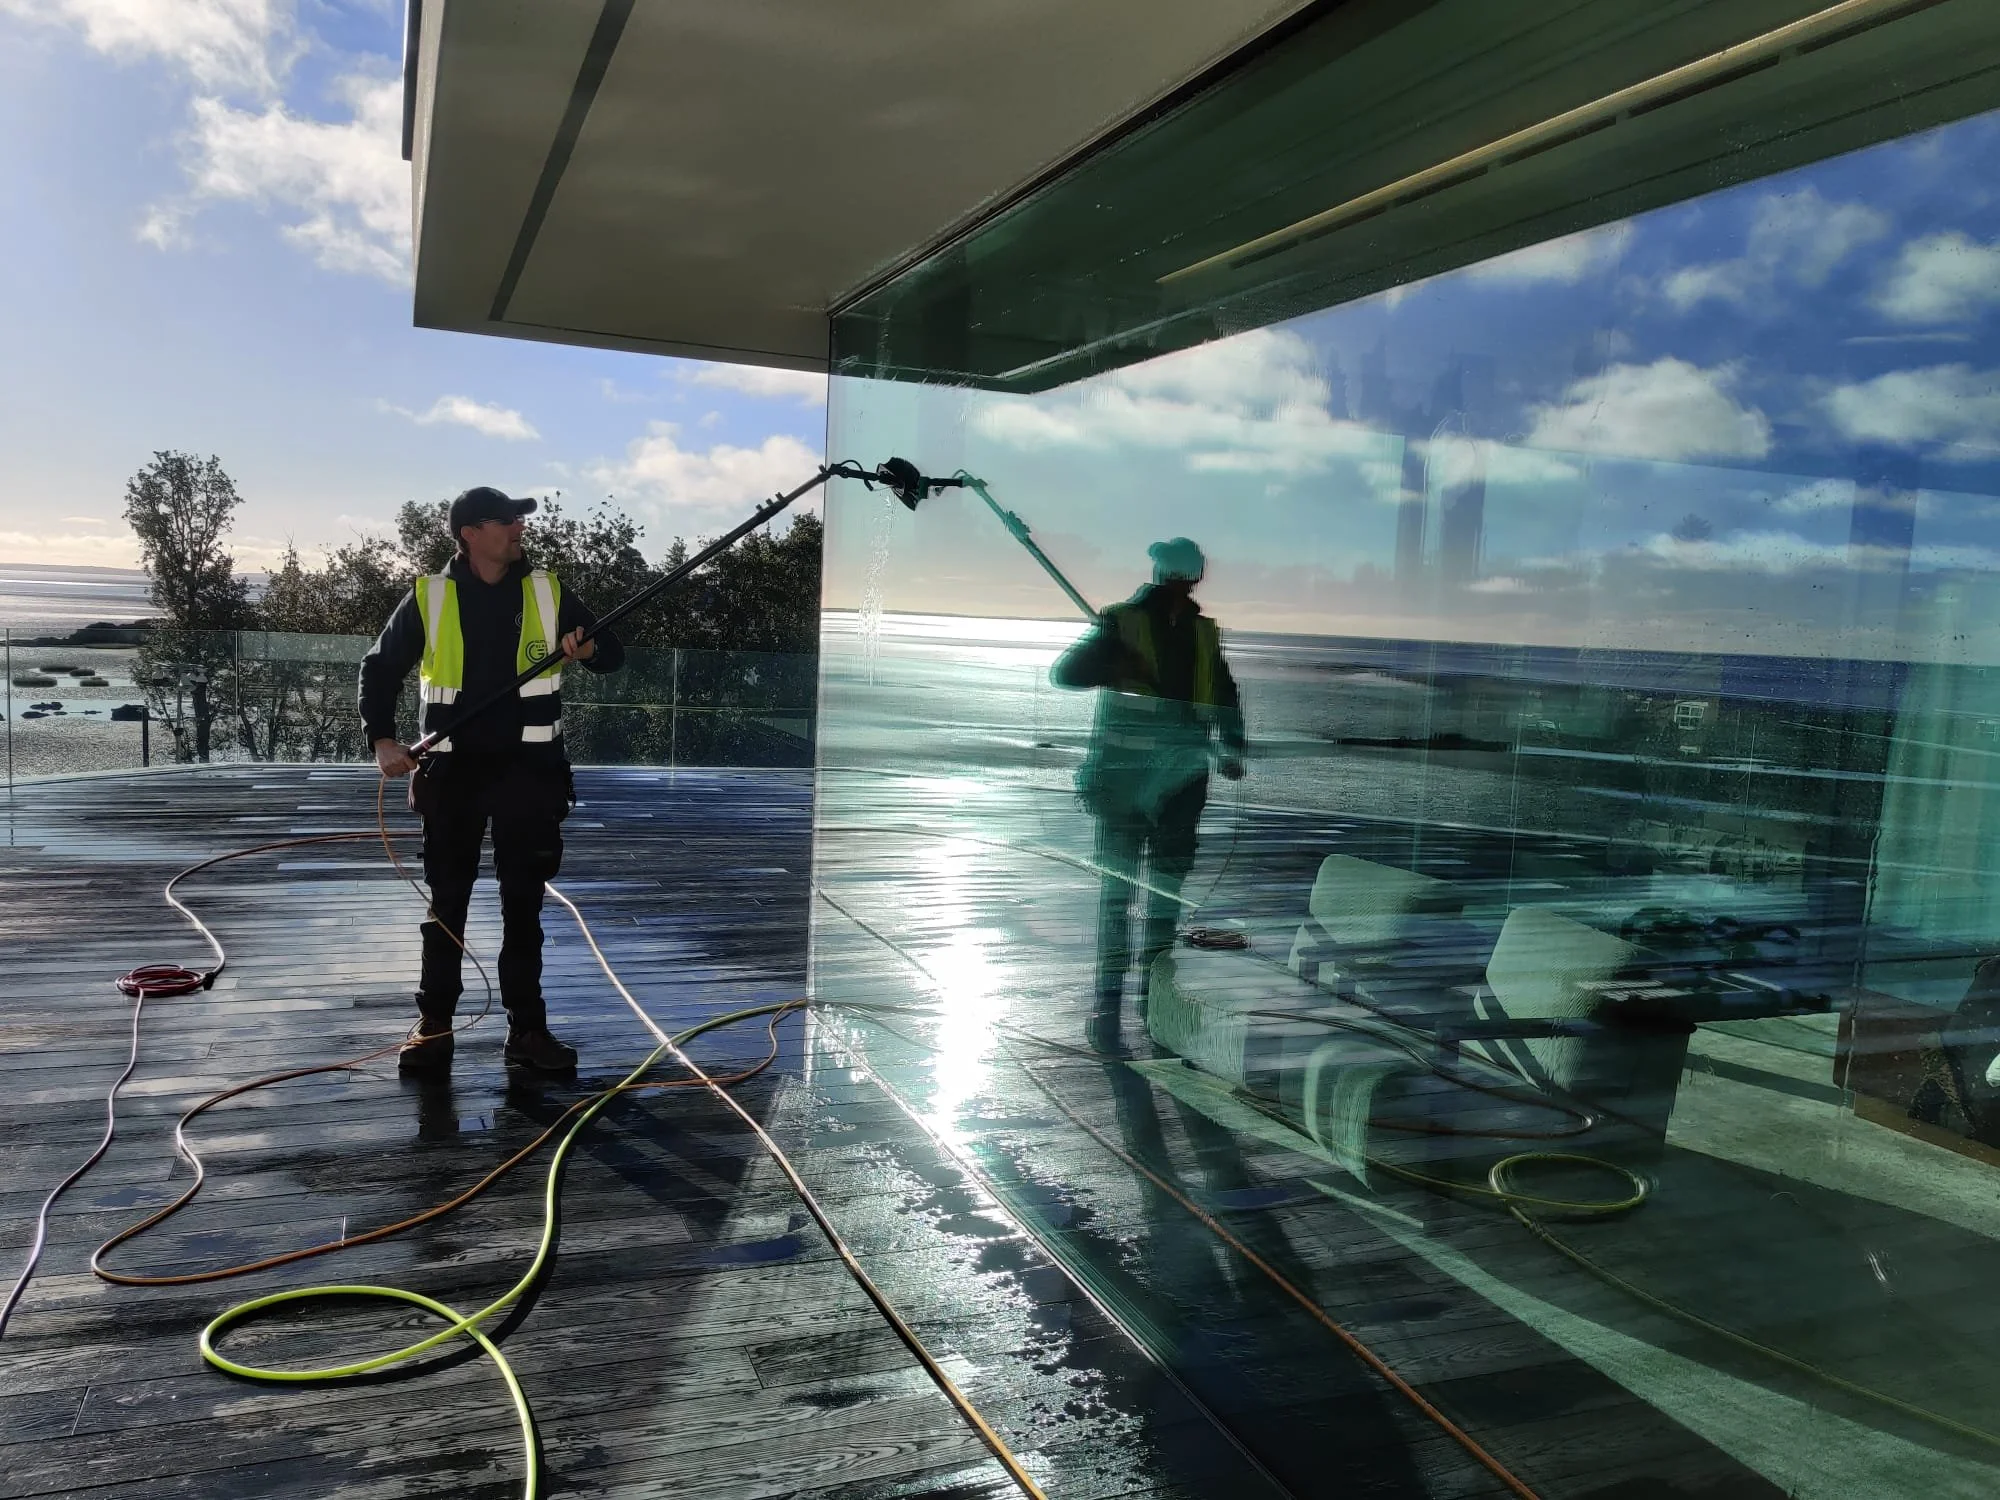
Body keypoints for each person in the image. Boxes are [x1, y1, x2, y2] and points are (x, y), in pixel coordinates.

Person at [359, 486, 626, 1073]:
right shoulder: (429, 596)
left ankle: (527, 1032)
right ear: (470, 533)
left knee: (522, 908)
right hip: (451, 774)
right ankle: (434, 1027)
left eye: (519, 520)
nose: (518, 528)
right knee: (446, 904)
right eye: (506, 520)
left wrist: (588, 652)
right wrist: (382, 739)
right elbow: (380, 668)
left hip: (529, 775)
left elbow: (612, 653)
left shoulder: (548, 590)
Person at [1051, 537, 1246, 1043]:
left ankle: (1156, 1003)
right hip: (1123, 786)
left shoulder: (1204, 632)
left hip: (1181, 787)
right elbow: (1067, 673)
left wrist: (1231, 743)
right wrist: (1116, 665)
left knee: (1164, 898)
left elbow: (1222, 690)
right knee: (1119, 899)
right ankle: (1108, 1008)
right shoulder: (1121, 621)